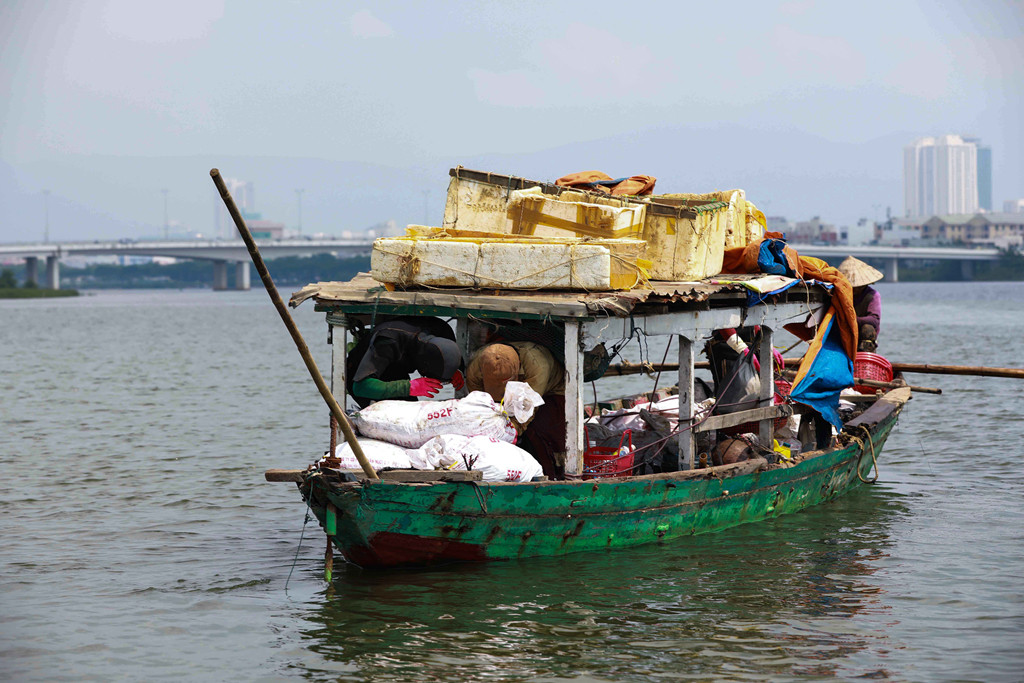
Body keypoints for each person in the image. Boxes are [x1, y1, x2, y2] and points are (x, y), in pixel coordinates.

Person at [466, 341, 566, 479]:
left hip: (550, 390)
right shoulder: (476, 368)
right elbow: (479, 402)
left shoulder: (537, 366)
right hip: (523, 391)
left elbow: (528, 408)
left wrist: (510, 432)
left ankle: (551, 477)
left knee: (540, 432)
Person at [345, 316, 464, 409]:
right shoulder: (388, 341)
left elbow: (449, 356)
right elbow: (360, 387)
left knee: (413, 410)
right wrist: (408, 387)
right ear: (423, 368)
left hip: (397, 367)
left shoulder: (443, 331)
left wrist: (456, 370)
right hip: (362, 375)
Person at [837, 257, 884, 352]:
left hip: (862, 337)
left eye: (858, 287)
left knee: (868, 328)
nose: (854, 290)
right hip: (843, 333)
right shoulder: (838, 295)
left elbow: (874, 320)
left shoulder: (872, 296)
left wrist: (851, 320)